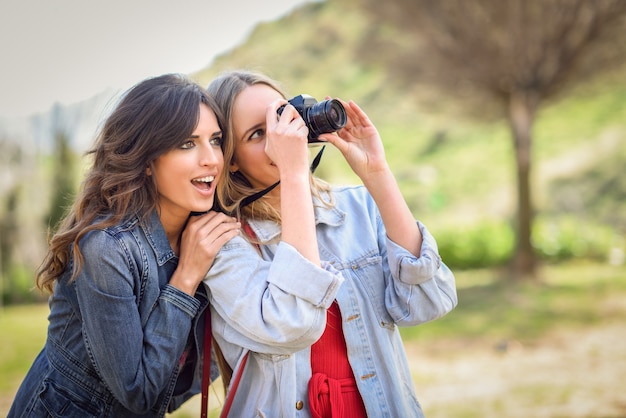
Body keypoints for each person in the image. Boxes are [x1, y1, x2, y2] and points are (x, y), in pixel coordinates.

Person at [203, 69, 458, 417]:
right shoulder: (225, 243)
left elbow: (428, 303)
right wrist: (293, 172)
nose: (282, 138)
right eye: (259, 134)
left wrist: (377, 174)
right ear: (230, 160)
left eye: (281, 119)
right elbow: (292, 323)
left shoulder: (357, 207)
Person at [8, 74, 240, 417]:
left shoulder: (208, 233)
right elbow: (139, 392)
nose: (212, 160)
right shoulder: (106, 249)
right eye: (188, 144)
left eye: (216, 140)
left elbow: (187, 377)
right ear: (146, 160)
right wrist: (186, 278)